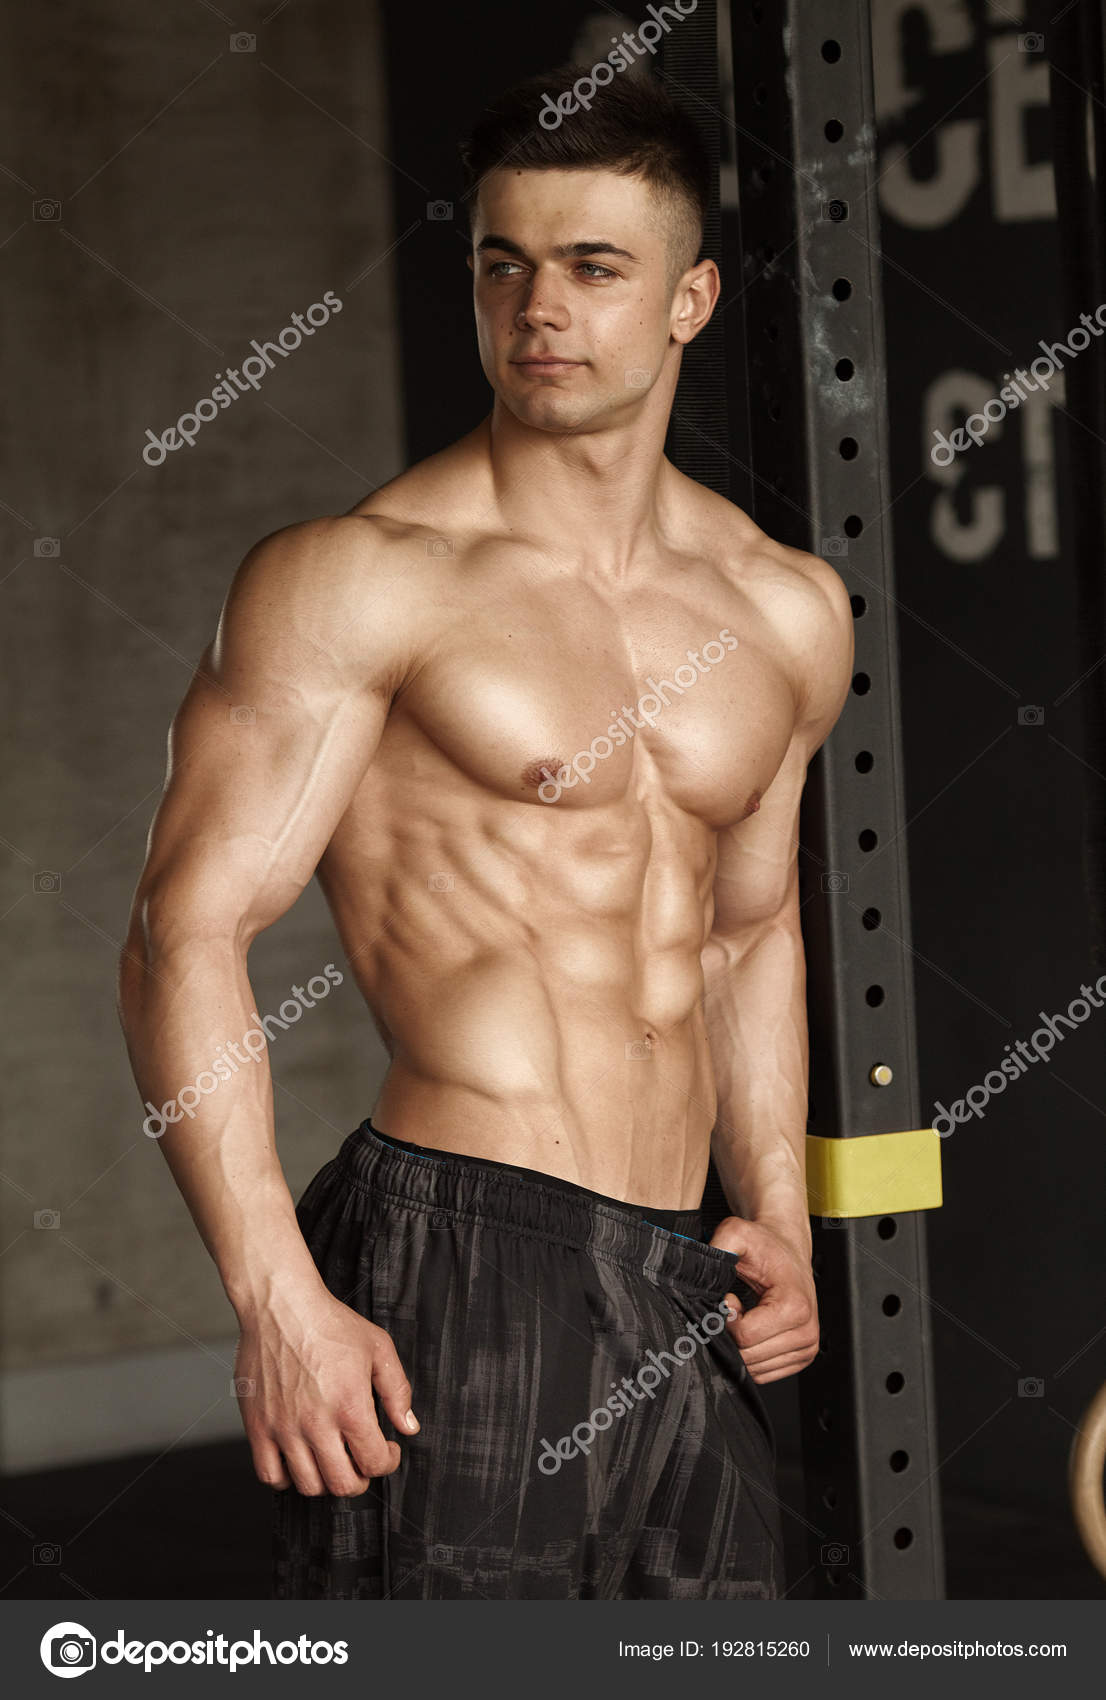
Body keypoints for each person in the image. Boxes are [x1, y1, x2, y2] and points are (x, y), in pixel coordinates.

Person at [117, 63, 853, 1601]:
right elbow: (184, 932)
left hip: (679, 1269)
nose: (540, 307)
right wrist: (275, 1299)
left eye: (593, 268)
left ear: (689, 299)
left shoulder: (780, 606)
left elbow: (747, 925)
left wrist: (773, 1207)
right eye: (502, 264)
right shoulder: (360, 579)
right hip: (466, 1243)